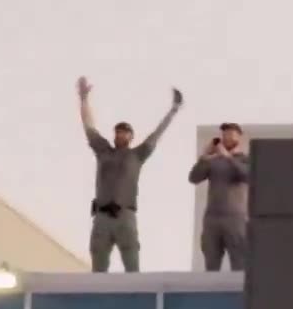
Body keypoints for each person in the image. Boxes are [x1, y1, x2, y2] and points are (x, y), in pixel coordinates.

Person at [79, 76, 181, 272]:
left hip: (125, 215)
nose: (120, 135)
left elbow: (156, 134)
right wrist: (83, 99)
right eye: (118, 132)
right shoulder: (103, 151)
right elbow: (89, 127)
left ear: (131, 136)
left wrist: (173, 110)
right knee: (98, 268)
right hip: (101, 216)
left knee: (132, 266)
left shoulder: (137, 155)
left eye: (125, 132)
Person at [189, 122, 249, 271]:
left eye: (230, 134)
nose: (226, 137)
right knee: (211, 260)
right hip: (212, 218)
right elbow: (194, 178)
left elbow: (248, 176)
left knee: (239, 261)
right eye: (224, 134)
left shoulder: (244, 158)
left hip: (235, 218)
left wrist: (228, 157)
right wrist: (204, 157)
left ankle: (238, 287)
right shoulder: (213, 160)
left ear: (238, 138)